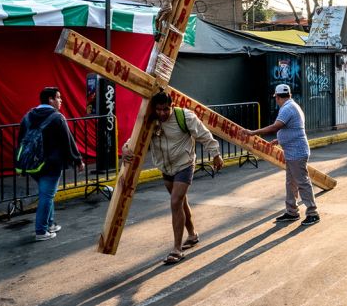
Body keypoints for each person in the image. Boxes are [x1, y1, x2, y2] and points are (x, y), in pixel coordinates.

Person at [122, 91, 223, 265]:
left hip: (184, 164)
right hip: (166, 168)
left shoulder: (185, 117)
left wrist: (216, 154)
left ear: (172, 105)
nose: (162, 113)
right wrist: (126, 148)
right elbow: (135, 138)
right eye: (158, 109)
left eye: (165, 109)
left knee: (175, 202)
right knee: (181, 203)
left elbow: (204, 134)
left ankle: (177, 249)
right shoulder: (151, 121)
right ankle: (192, 235)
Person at [243, 84, 319, 226]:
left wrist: (253, 132)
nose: (276, 100)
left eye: (276, 98)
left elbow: (276, 126)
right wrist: (279, 140)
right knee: (291, 183)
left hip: (296, 153)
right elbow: (293, 128)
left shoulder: (287, 108)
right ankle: (292, 211)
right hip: (293, 152)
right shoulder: (292, 106)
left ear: (277, 97)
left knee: (302, 182)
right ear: (289, 95)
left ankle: (312, 213)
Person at [18, 87, 85, 241]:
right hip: (51, 164)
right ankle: (41, 231)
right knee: (47, 196)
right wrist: (78, 160)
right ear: (50, 99)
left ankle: (50, 224)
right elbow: (68, 141)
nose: (61, 101)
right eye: (58, 97)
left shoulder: (28, 116)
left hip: (32, 164)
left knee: (47, 194)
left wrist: (21, 165)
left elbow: (21, 141)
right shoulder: (57, 117)